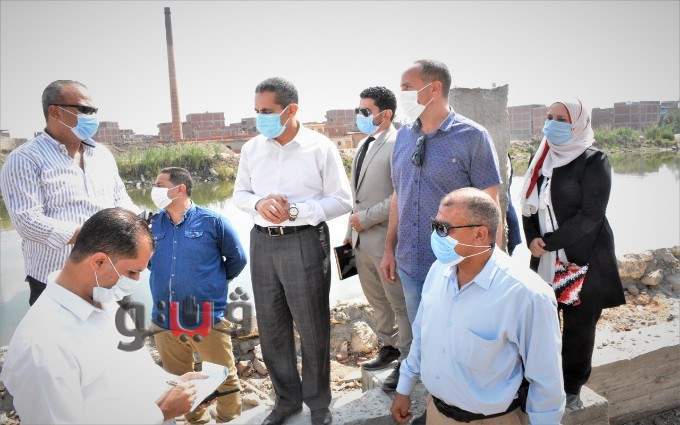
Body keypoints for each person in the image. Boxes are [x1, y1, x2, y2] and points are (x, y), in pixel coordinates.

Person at [0, 208, 203, 424]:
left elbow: (134, 370)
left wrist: (173, 385)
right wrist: (160, 412)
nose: (136, 280)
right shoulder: (41, 347)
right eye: (132, 272)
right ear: (99, 262)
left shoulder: (104, 300)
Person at [233, 77, 352, 425]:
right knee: (271, 326)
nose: (260, 118)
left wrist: (296, 211)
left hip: (305, 241)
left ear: (291, 110)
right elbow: (240, 194)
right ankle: (286, 401)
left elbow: (342, 200)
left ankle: (318, 403)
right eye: (256, 111)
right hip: (262, 243)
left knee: (312, 326)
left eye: (266, 111)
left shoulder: (320, 147)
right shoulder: (252, 149)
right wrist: (259, 203)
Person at [391, 188, 565, 425]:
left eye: (443, 228)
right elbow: (422, 335)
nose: (435, 235)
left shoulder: (526, 294)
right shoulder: (438, 271)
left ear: (480, 234)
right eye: (434, 225)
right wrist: (404, 388)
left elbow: (546, 382)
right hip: (437, 413)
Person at [520, 99, 625, 410]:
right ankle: (543, 380)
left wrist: (549, 242)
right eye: (549, 117)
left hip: (584, 257)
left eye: (561, 118)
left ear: (578, 123)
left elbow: (591, 215)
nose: (552, 123)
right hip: (544, 256)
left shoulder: (595, 160)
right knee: (544, 322)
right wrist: (532, 239)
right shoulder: (541, 157)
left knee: (579, 327)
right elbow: (528, 205)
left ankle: (571, 387)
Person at [382, 59, 503, 324]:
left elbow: (491, 206)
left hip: (457, 267)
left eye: (407, 87)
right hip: (409, 266)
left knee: (460, 338)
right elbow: (398, 196)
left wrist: (492, 268)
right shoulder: (403, 136)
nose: (401, 95)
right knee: (421, 338)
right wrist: (389, 248)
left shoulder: (473, 137)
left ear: (434, 88)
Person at [0, 80, 140, 305]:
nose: (91, 116)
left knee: (122, 328)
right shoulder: (25, 159)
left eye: (93, 111)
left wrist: (137, 225)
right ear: (55, 112)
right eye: (84, 110)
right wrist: (90, 236)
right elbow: (27, 221)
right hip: (56, 282)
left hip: (111, 276)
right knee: (57, 330)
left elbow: (120, 198)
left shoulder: (102, 155)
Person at [148, 167, 247, 423]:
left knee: (223, 376)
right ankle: (198, 421)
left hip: (205, 315)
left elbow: (237, 259)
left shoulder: (213, 221)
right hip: (164, 317)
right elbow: (146, 260)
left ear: (180, 189)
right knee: (178, 380)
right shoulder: (152, 224)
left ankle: (229, 419)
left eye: (159, 185)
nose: (154, 190)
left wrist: (212, 283)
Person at [343, 86, 412, 392]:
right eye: (358, 109)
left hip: (387, 240)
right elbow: (356, 197)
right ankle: (389, 348)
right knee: (377, 302)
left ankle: (408, 361)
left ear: (385, 114)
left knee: (399, 304)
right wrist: (349, 234)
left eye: (365, 111)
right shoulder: (364, 144)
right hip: (361, 241)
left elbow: (401, 195)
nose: (359, 115)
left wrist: (367, 219)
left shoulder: (398, 144)